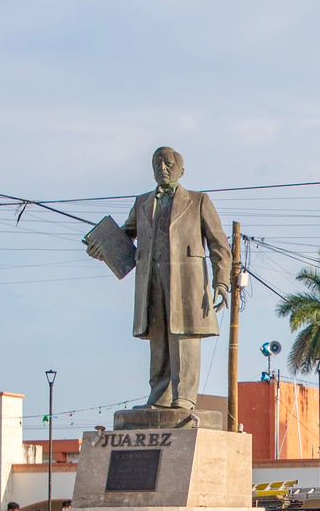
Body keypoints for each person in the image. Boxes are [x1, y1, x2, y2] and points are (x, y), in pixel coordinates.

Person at [84, 147, 232, 411]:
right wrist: (102, 249)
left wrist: (222, 282)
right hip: (151, 280)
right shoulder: (142, 203)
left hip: (187, 283)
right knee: (159, 337)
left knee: (183, 336)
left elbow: (218, 244)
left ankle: (184, 397)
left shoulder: (198, 201)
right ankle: (160, 397)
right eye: (157, 164)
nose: (162, 168)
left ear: (181, 170)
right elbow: (125, 236)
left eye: (168, 163)